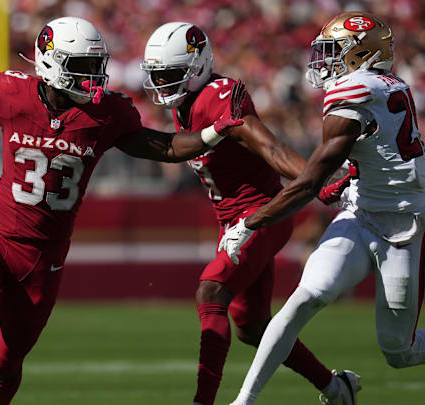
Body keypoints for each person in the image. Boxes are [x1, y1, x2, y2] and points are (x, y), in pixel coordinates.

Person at [0, 17, 244, 405]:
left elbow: (165, 147)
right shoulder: (12, 92)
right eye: (83, 67)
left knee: (6, 365)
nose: (94, 77)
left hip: (42, 257)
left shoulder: (107, 115)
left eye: (96, 66)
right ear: (49, 64)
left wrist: (214, 132)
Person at [139, 22, 356, 405]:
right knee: (253, 326)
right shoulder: (186, 104)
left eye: (171, 75)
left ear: (197, 67)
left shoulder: (218, 96)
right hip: (233, 223)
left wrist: (316, 180)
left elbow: (269, 147)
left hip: (262, 214)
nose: (162, 84)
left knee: (211, 290)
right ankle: (337, 389)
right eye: (158, 76)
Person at [222, 12, 425, 405]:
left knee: (398, 352)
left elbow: (309, 183)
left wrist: (250, 223)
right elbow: (374, 152)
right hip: (361, 214)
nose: (324, 60)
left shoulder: (354, 91)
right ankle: (243, 401)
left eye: (334, 51)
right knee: (304, 297)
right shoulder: (388, 85)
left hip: (405, 229)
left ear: (360, 54)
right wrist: (351, 176)